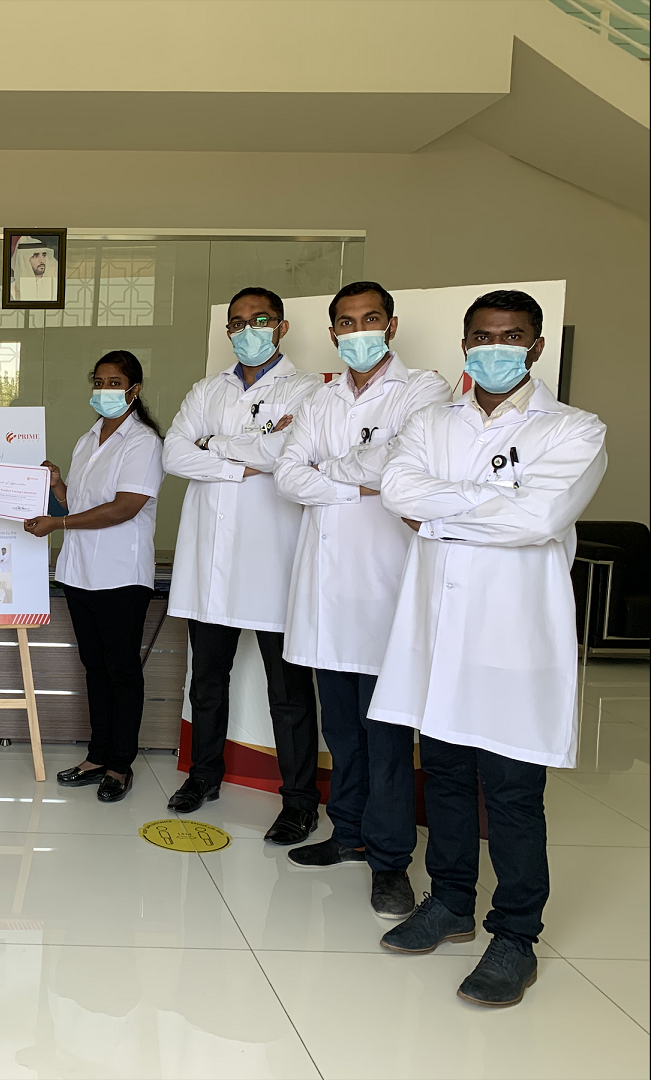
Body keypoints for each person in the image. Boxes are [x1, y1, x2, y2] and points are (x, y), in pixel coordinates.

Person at [372, 290, 606, 1008]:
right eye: (482, 336)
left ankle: (516, 935)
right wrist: (488, 502)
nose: (494, 347)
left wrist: (440, 515)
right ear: (464, 343)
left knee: (510, 792)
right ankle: (449, 903)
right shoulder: (431, 422)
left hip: (512, 636)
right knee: (444, 776)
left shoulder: (574, 429)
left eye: (511, 336)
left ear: (536, 346)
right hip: (439, 634)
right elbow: (397, 487)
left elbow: (540, 517)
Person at [273, 282, 452, 917]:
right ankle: (346, 832)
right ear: (332, 334)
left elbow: (398, 465)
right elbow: (288, 476)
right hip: (326, 595)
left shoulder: (424, 391)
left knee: (387, 738)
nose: (358, 332)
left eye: (370, 319)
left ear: (391, 325)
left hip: (385, 591)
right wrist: (353, 480)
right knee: (342, 732)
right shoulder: (320, 398)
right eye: (346, 323)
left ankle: (390, 860)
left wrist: (329, 472)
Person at [161, 287, 324, 844]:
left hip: (273, 562)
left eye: (260, 319)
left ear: (281, 326)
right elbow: (174, 454)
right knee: (206, 682)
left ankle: (299, 801)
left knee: (289, 692)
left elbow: (288, 453)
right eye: (237, 322)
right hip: (211, 564)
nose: (247, 329)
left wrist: (214, 444)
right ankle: (203, 776)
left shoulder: (307, 389)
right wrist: (244, 455)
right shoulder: (207, 389)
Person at [26, 350, 165, 803]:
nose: (105, 390)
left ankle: (120, 765)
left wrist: (58, 523)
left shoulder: (143, 441)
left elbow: (125, 507)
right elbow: (79, 505)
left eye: (115, 383)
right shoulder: (88, 439)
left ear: (134, 390)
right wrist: (57, 486)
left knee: (121, 670)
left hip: (121, 576)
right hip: (80, 573)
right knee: (95, 669)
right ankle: (96, 756)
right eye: (99, 382)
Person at [10, 235, 59, 302]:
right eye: (35, 256)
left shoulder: (54, 286)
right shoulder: (12, 289)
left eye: (44, 255)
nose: (42, 260)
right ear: (24, 260)